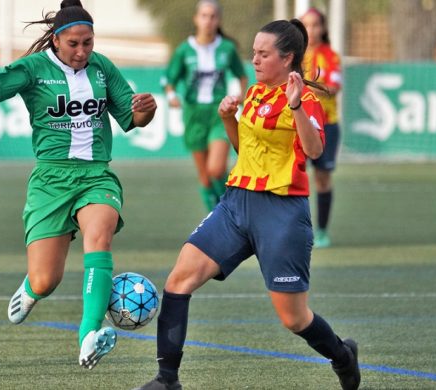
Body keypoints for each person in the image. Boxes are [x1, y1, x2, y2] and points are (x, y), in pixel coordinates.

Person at [135, 19, 360, 390]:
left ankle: (342, 355)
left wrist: (297, 108)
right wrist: (227, 118)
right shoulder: (255, 92)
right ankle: (167, 380)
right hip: (236, 204)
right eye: (253, 52)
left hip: (282, 213)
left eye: (263, 54)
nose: (253, 59)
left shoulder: (304, 99)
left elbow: (315, 150)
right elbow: (246, 149)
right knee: (178, 281)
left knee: (294, 319)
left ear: (287, 59)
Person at [0, 0, 157, 370]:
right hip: (50, 180)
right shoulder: (34, 69)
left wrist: (146, 110)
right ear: (56, 40)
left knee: (99, 235)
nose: (82, 51)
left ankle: (89, 335)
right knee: (46, 279)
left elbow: (131, 118)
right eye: (74, 43)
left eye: (88, 42)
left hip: (96, 176)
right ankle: (31, 289)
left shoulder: (102, 68)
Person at [163, 0, 248, 212]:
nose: (208, 21)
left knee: (216, 169)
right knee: (205, 177)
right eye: (204, 15)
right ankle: (217, 216)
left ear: (218, 20)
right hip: (193, 115)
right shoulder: (184, 50)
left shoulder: (226, 48)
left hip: (219, 113)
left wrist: (241, 94)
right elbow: (169, 79)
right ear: (196, 19)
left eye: (212, 16)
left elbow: (241, 75)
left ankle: (230, 206)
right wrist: (172, 95)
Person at [301, 7, 342, 248]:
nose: (311, 30)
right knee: (293, 176)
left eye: (315, 25)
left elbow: (333, 88)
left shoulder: (330, 56)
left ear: (323, 28)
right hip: (296, 124)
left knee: (322, 178)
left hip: (326, 124)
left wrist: (301, 88)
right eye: (306, 24)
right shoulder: (292, 55)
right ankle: (295, 227)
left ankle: (323, 231)